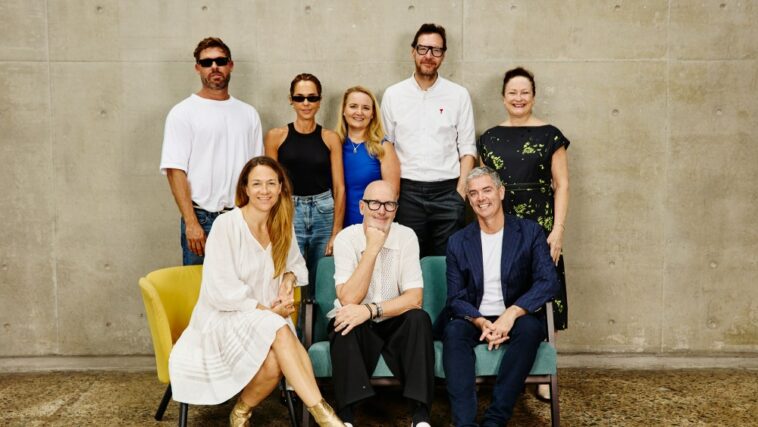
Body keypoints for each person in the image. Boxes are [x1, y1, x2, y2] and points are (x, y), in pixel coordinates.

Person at [168, 157, 344, 427]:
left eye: (271, 183)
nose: (265, 190)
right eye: (257, 184)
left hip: (264, 321)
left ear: (281, 187)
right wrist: (269, 311)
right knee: (279, 327)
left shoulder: (280, 224)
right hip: (223, 319)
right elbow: (221, 291)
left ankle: (241, 412)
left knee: (275, 357)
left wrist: (287, 281)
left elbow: (294, 264)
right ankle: (326, 418)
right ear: (245, 189)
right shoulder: (227, 225)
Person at [440, 167, 559, 426]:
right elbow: (456, 297)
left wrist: (511, 313)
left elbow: (548, 281)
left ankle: (495, 419)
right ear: (469, 200)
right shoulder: (458, 241)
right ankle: (465, 423)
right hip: (474, 316)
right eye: (473, 193)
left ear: (501, 192)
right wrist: (481, 322)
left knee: (529, 329)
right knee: (453, 332)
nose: (481, 198)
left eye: (487, 190)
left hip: (516, 314)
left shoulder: (529, 232)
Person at [478, 66, 570, 399]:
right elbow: (481, 188)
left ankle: (545, 371)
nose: (519, 98)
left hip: (541, 223)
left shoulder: (551, 135)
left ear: (533, 96)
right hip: (500, 222)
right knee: (503, 284)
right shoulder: (488, 138)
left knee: (543, 287)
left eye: (525, 92)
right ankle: (503, 358)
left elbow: (562, 185)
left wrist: (557, 230)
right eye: (512, 92)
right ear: (503, 97)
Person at [328, 180, 434, 427]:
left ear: (396, 209)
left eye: (389, 204)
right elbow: (348, 299)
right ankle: (346, 419)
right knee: (341, 322)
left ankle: (420, 417)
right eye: (374, 203)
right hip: (356, 324)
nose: (381, 210)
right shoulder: (346, 238)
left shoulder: (406, 236)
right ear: (362, 207)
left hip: (393, 319)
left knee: (420, 319)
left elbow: (415, 298)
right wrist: (373, 248)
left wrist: (371, 310)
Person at [160, 37, 263, 265]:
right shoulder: (183, 113)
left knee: (241, 291)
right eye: (206, 63)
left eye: (220, 60)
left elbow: (256, 171)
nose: (214, 67)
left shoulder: (248, 114)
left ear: (230, 65)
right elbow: (175, 171)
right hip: (201, 219)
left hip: (240, 217)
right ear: (198, 68)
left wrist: (255, 219)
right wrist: (191, 222)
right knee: (197, 292)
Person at [380, 23, 477, 257]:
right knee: (407, 263)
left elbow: (467, 149)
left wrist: (459, 195)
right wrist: (393, 196)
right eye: (423, 49)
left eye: (436, 50)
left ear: (443, 55)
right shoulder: (393, 95)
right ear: (413, 51)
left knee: (449, 265)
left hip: (448, 192)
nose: (429, 56)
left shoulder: (458, 95)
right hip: (407, 192)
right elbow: (386, 147)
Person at [265, 73, 345, 294]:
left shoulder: (330, 138)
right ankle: (293, 329)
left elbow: (339, 187)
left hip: (323, 211)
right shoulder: (276, 136)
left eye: (312, 97)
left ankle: (320, 329)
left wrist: (336, 231)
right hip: (289, 210)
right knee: (289, 278)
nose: (306, 103)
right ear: (291, 100)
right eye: (300, 98)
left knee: (322, 280)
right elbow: (270, 185)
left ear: (320, 100)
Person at [335, 86, 400, 226]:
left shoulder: (383, 148)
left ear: (373, 114)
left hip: (371, 227)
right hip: (334, 228)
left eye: (365, 108)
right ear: (344, 111)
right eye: (353, 106)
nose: (359, 112)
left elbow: (392, 196)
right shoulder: (334, 145)